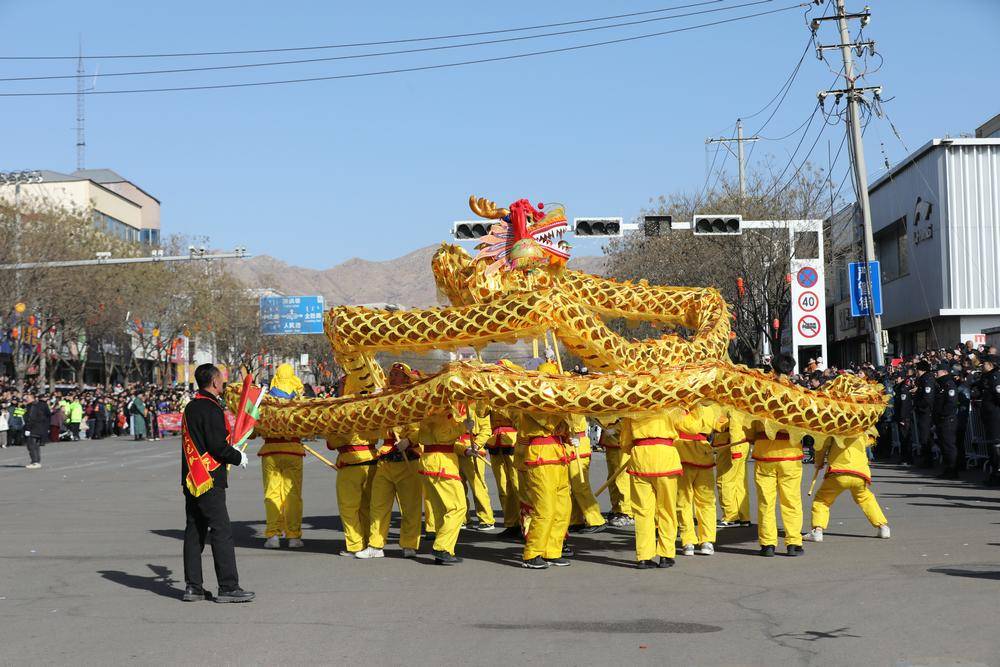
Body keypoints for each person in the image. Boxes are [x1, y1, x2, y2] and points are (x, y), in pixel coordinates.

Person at [181, 363, 253, 603]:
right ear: (214, 382)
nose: (223, 382)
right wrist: (237, 456)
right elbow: (217, 447)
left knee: (194, 532)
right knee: (221, 531)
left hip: (193, 478)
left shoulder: (191, 407)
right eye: (221, 378)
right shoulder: (211, 409)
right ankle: (228, 586)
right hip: (209, 479)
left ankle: (193, 587)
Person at [356, 363, 423, 559]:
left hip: (408, 460)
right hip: (385, 460)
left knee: (410, 506)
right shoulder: (383, 400)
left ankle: (409, 544)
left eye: (398, 374)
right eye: (391, 373)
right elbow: (372, 428)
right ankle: (375, 545)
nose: (393, 377)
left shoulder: (414, 401)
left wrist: (410, 440)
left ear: (407, 379)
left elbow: (421, 428)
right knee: (378, 506)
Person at [516, 361, 574, 569]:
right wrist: (562, 410)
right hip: (541, 456)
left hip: (559, 456)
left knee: (563, 508)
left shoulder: (557, 401)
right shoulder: (532, 399)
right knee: (545, 508)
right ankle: (532, 552)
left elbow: (564, 427)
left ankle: (552, 550)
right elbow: (549, 423)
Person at [752, 354, 805, 557]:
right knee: (791, 500)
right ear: (791, 371)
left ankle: (768, 545)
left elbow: (751, 421)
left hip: (764, 453)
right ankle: (793, 543)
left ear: (772, 368)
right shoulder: (797, 393)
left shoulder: (761, 391)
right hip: (790, 454)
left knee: (766, 501)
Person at [620, 409, 681, 569]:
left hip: (641, 459)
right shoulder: (671, 404)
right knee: (667, 510)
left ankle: (644, 556)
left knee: (642, 512)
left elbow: (625, 441)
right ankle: (666, 555)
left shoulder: (633, 407)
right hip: (665, 458)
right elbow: (686, 427)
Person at [806, 436, 891, 542]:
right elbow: (870, 441)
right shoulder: (862, 428)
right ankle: (883, 527)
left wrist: (818, 462)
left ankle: (817, 530)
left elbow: (821, 446)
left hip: (838, 472)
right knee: (866, 499)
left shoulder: (834, 428)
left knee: (822, 500)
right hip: (860, 473)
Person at [259, 364, 306, 550]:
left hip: (270, 452)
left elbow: (256, 426)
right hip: (293, 451)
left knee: (272, 494)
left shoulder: (266, 399)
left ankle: (273, 535)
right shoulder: (299, 399)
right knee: (293, 495)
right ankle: (293, 536)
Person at [566, 412, 607, 534]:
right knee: (570, 487)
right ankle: (575, 520)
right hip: (570, 444)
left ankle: (596, 520)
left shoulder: (574, 404)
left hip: (577, 444)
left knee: (580, 486)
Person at [933, 362, 960, 479]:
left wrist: (943, 415)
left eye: (937, 371)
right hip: (941, 420)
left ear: (944, 372)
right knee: (943, 445)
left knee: (949, 445)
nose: (935, 373)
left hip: (948, 420)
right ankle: (947, 468)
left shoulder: (949, 384)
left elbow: (951, 403)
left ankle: (953, 469)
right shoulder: (941, 385)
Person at [977, 355, 1000, 485]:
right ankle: (994, 473)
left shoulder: (995, 377)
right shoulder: (987, 377)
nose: (982, 365)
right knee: (992, 445)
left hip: (995, 417)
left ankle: (996, 474)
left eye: (984, 363)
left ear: (991, 364)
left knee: (996, 446)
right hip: (989, 416)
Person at [913, 360, 936, 468]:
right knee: (924, 436)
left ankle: (928, 460)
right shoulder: (923, 379)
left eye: (916, 369)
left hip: (926, 412)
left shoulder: (927, 379)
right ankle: (927, 458)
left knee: (925, 436)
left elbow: (928, 398)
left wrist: (918, 405)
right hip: (923, 411)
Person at [23, 393, 51, 470]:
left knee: (31, 445)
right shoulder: (39, 405)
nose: (26, 399)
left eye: (27, 398)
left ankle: (35, 462)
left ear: (32, 398)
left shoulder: (32, 406)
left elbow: (31, 418)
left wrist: (28, 429)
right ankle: (37, 461)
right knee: (36, 445)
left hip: (33, 428)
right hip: (39, 428)